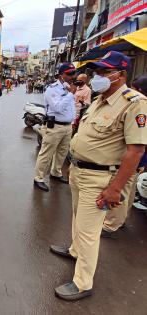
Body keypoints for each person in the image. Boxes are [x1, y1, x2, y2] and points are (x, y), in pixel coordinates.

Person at [50, 51, 147, 301]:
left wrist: (115, 189)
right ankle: (74, 250)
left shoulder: (134, 102)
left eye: (105, 72)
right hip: (79, 171)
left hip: (100, 178)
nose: (98, 76)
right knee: (76, 218)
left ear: (121, 75)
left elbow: (135, 150)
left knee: (89, 231)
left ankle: (82, 283)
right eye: (98, 72)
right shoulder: (99, 99)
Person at [101, 74, 147, 239]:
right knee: (129, 188)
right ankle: (121, 220)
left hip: (133, 159)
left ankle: (111, 225)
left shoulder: (139, 106)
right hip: (139, 160)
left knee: (121, 188)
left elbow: (136, 145)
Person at [33, 63, 77, 192]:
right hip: (54, 127)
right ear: (60, 75)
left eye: (73, 73)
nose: (72, 76)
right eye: (69, 74)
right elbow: (57, 108)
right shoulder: (52, 89)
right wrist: (70, 95)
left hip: (68, 127)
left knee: (62, 153)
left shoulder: (69, 88)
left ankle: (56, 173)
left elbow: (70, 108)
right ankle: (38, 178)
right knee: (46, 153)